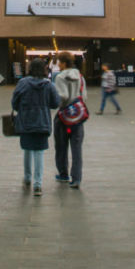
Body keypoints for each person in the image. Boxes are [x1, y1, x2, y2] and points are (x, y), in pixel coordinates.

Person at [11, 58, 59, 196]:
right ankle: (38, 184)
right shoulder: (48, 85)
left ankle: (27, 178)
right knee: (39, 152)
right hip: (42, 122)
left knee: (27, 150)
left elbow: (14, 103)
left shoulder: (22, 83)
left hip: (25, 121)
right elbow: (55, 103)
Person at [52, 52, 86, 188]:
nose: (58, 64)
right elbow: (84, 95)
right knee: (77, 148)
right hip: (78, 116)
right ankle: (76, 178)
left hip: (63, 116)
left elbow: (63, 95)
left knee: (61, 146)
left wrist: (56, 102)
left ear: (64, 63)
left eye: (59, 62)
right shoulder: (80, 77)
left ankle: (63, 174)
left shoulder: (60, 77)